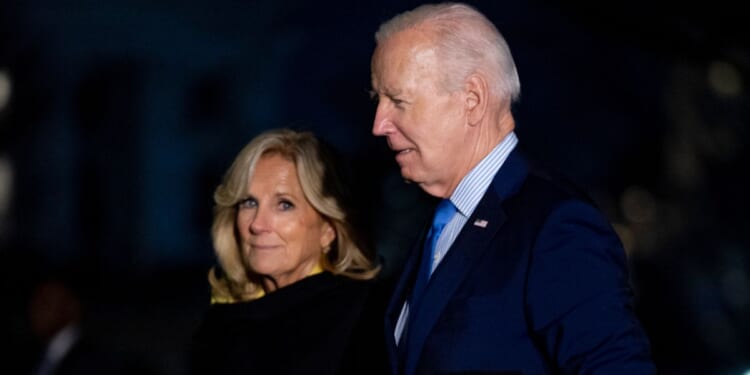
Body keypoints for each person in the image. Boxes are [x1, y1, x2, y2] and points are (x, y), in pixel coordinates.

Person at [369, 3, 656, 374]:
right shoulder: (443, 222)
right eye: (378, 100)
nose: (379, 124)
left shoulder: (555, 225)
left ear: (472, 99)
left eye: (398, 101)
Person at [190, 128, 387, 375]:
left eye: (284, 205)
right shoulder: (219, 325)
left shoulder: (365, 318)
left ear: (328, 228)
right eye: (249, 202)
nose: (257, 224)